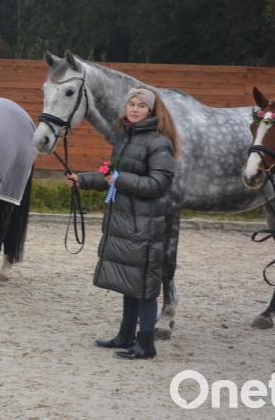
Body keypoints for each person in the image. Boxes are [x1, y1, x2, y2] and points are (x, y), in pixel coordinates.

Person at [66, 87, 178, 360]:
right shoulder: (125, 138)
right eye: (131, 103)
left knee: (145, 288)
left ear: (151, 112)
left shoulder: (159, 143)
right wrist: (83, 179)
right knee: (130, 282)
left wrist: (119, 180)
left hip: (145, 226)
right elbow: (112, 173)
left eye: (141, 105)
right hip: (125, 222)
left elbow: (158, 183)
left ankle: (146, 344)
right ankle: (126, 335)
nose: (135, 109)